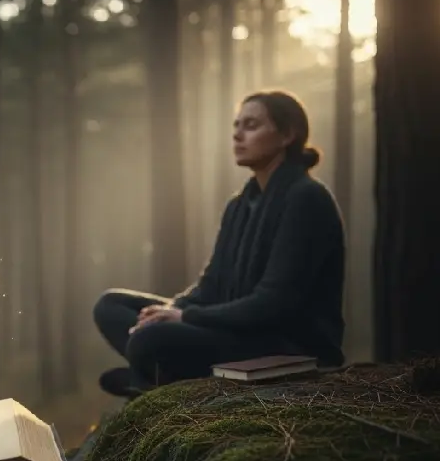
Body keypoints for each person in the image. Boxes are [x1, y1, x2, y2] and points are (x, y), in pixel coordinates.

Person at [93, 90, 346, 399]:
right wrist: (170, 309)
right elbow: (211, 285)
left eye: (251, 125)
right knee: (111, 306)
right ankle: (155, 377)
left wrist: (184, 318)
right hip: (235, 332)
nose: (238, 135)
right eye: (236, 126)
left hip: (287, 347)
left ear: (287, 134)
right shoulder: (239, 205)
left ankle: (152, 378)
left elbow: (273, 304)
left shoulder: (306, 198)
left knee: (151, 339)